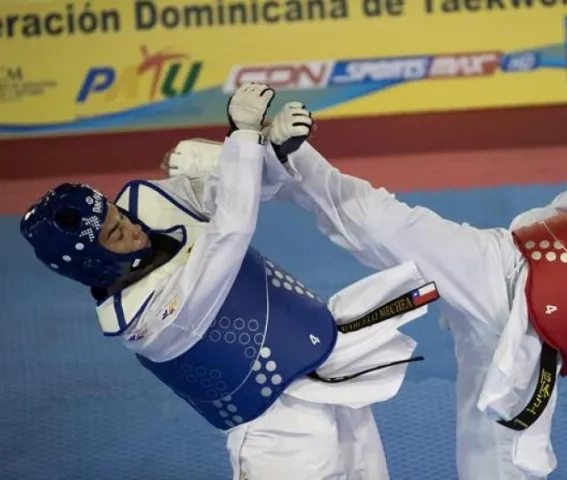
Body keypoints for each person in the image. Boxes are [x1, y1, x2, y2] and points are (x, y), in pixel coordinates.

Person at [200, 109, 567, 480]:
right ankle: (279, 158)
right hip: (503, 267)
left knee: (503, 470)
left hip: (534, 356)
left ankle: (273, 166)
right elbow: (561, 209)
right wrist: (508, 258)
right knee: (389, 225)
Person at [18, 83, 440, 480]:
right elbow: (229, 234)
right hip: (276, 429)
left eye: (117, 214)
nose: (131, 227)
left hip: (327, 362)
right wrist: (241, 137)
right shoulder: (148, 322)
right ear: (94, 263)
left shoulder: (145, 202)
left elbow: (236, 188)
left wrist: (271, 151)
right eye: (115, 234)